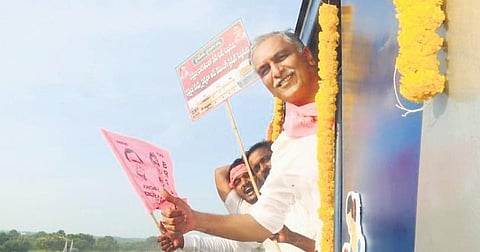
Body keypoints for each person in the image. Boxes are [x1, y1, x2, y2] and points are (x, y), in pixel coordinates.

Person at [159, 30, 321, 252]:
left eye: (281, 57)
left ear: (308, 56)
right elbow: (261, 223)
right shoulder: (286, 148)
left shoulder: (359, 96)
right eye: (264, 70)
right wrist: (195, 220)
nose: (276, 72)